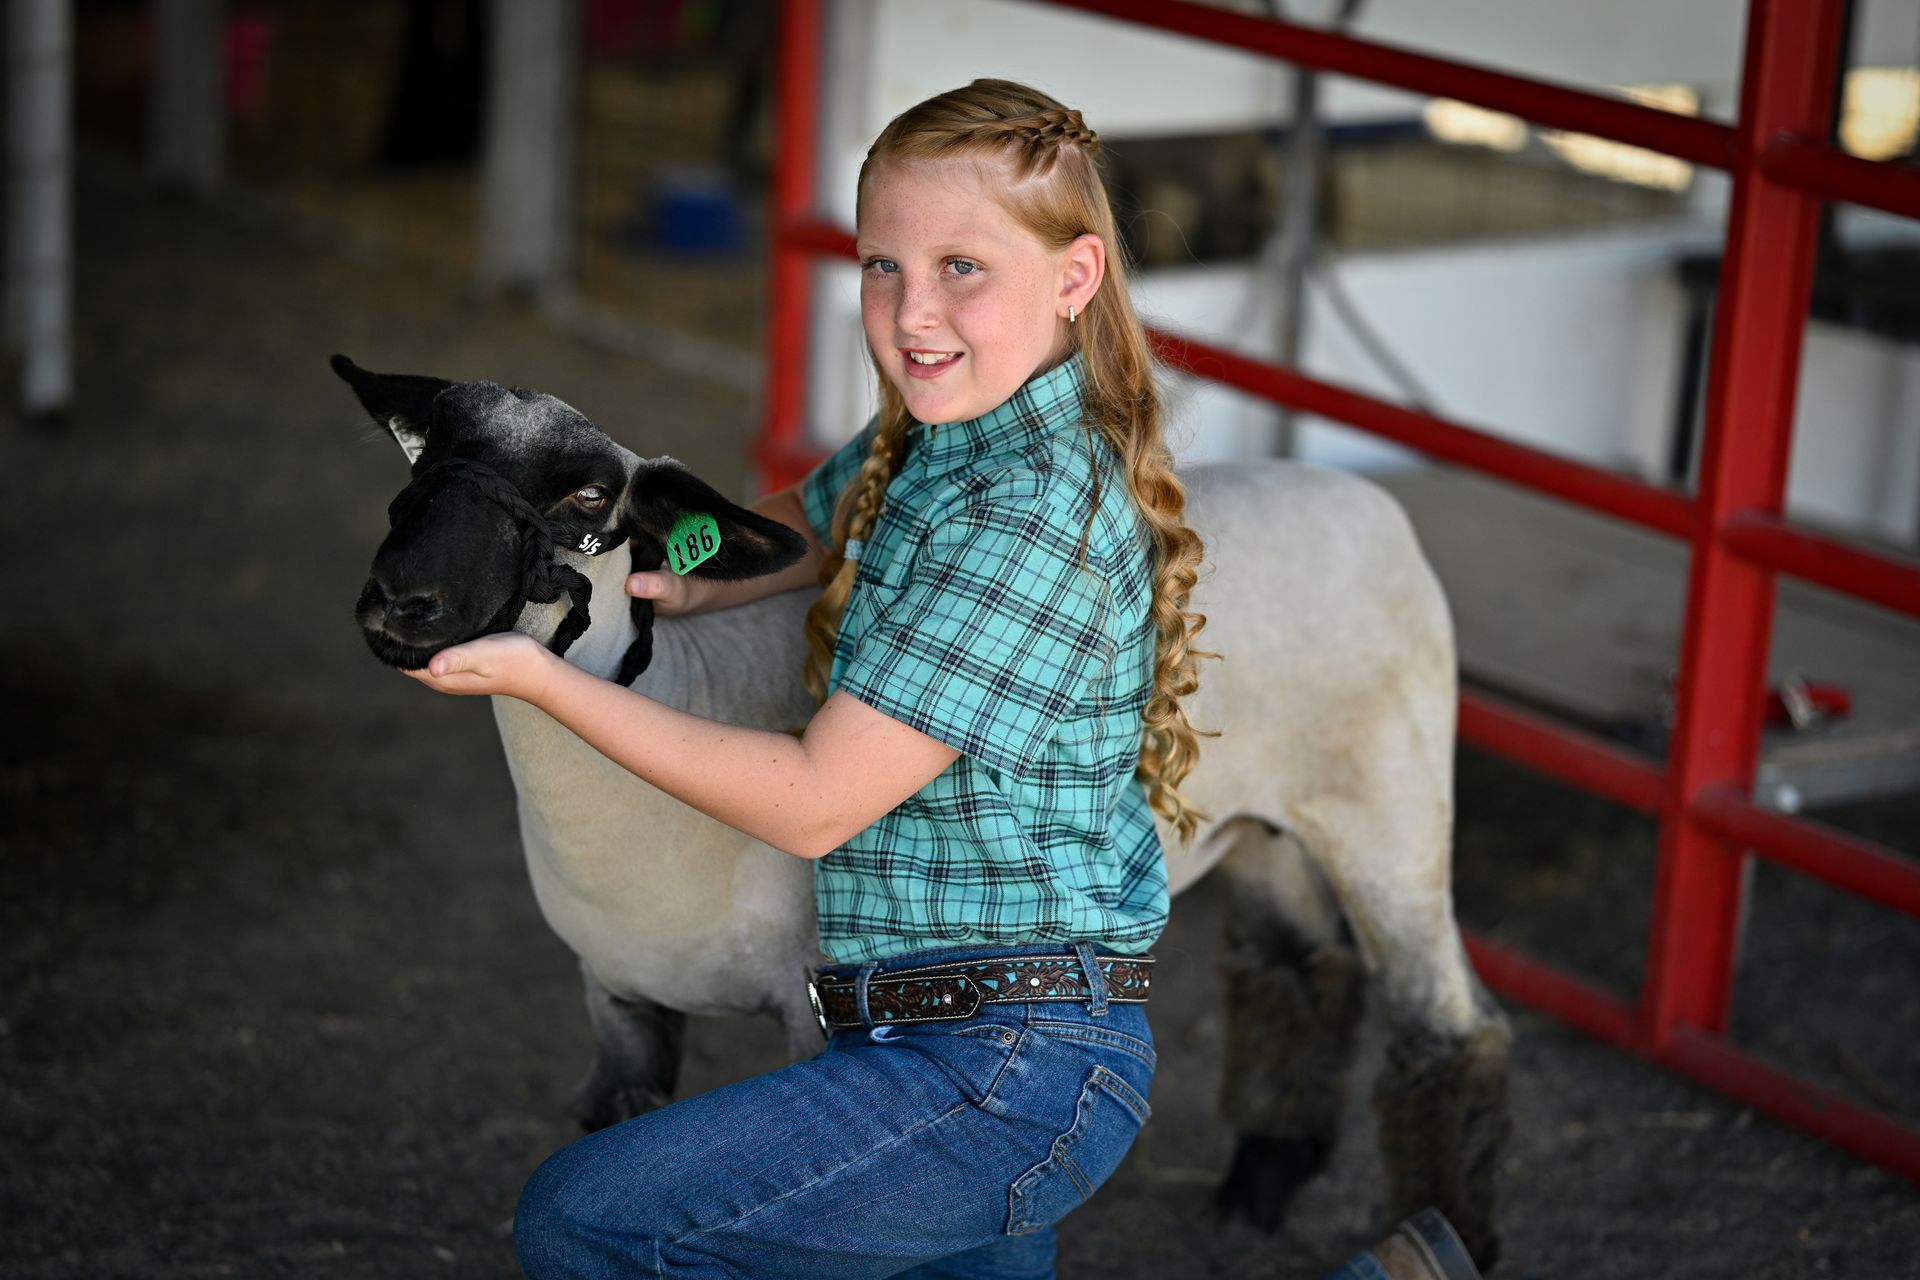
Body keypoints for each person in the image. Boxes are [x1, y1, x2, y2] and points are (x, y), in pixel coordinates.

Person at [402, 79, 1479, 1280]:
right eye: (881, 265)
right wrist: (699, 575)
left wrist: (545, 681)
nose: (913, 311)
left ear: (1074, 278)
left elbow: (816, 800)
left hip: (999, 1061)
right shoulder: (934, 432)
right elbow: (809, 521)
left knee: (585, 1216)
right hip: (939, 1034)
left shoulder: (1021, 521)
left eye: (963, 266)